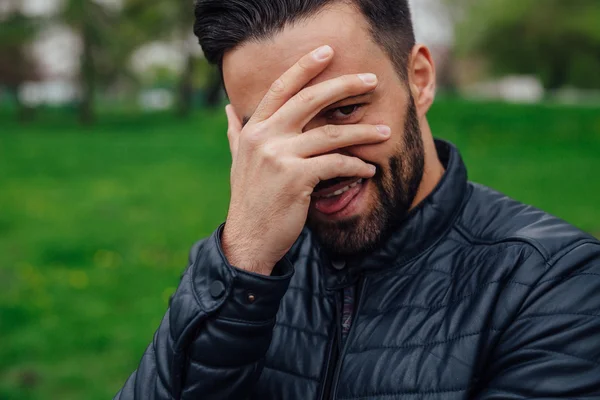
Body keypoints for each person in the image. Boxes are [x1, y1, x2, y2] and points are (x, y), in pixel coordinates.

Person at [115, 1, 600, 399]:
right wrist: (242, 264)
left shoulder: (557, 285)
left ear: (420, 79)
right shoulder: (232, 269)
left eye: (343, 110)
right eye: (272, 130)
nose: (316, 161)